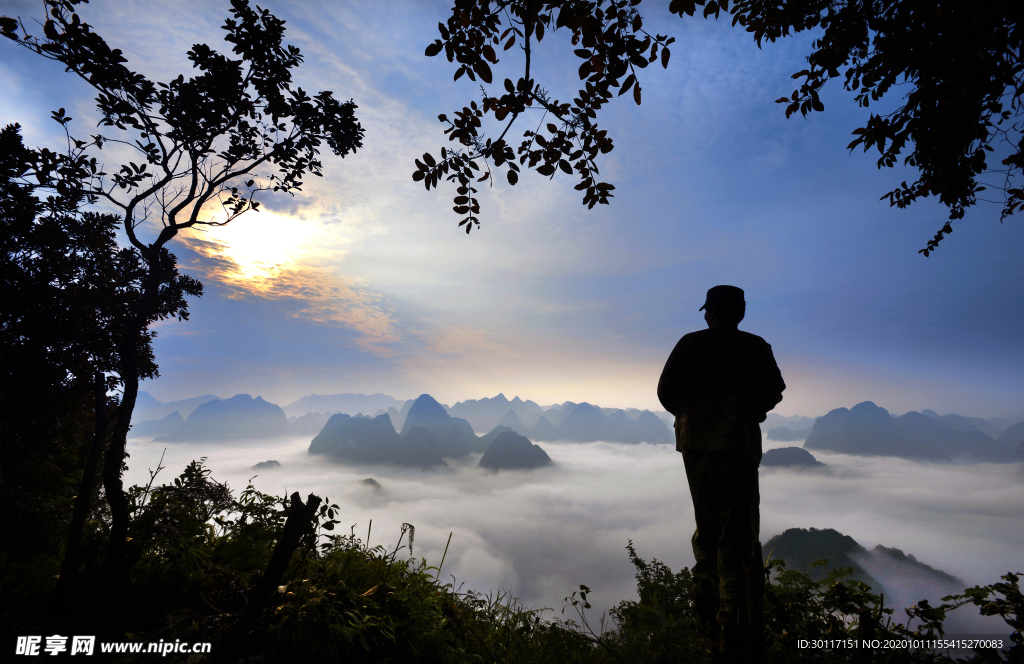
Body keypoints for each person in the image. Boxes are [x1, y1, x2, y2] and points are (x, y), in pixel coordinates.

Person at [657, 285, 785, 661]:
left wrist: (690, 416)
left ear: (712, 311)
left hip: (695, 446)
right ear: (740, 311)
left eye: (707, 310)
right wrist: (746, 413)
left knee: (708, 532)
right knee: (737, 538)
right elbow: (773, 391)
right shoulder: (755, 347)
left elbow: (666, 392)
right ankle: (733, 634)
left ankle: (707, 629)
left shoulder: (690, 345)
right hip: (738, 447)